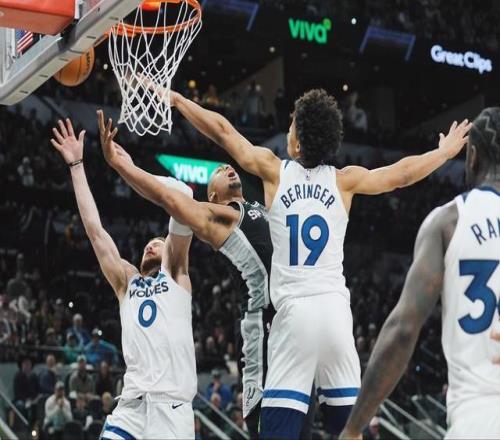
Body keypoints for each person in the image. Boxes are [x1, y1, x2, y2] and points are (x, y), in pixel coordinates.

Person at [163, 88, 471, 438]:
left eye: (291, 125)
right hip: (336, 316)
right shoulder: (345, 180)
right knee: (349, 431)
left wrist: (180, 101)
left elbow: (222, 131)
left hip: (295, 316)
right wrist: (443, 153)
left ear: (297, 141)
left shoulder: (274, 171)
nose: (288, 129)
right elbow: (400, 175)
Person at [97, 109, 306, 439]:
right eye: (219, 172)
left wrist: (178, 99)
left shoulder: (264, 206)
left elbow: (225, 130)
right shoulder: (222, 217)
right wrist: (124, 165)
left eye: (227, 167)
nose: (227, 167)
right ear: (213, 197)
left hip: (295, 330)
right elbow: (170, 197)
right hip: (265, 331)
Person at [339, 107, 500, 439]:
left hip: (477, 418)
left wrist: (353, 428)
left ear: (472, 157)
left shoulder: (449, 221)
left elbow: (402, 330)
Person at [50, 118, 196, 439]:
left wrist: (125, 166)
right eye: (147, 244)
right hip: (131, 405)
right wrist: (76, 165)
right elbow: (94, 230)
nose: (150, 245)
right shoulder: (126, 282)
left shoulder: (176, 274)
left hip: (171, 406)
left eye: (158, 241)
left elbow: (184, 194)